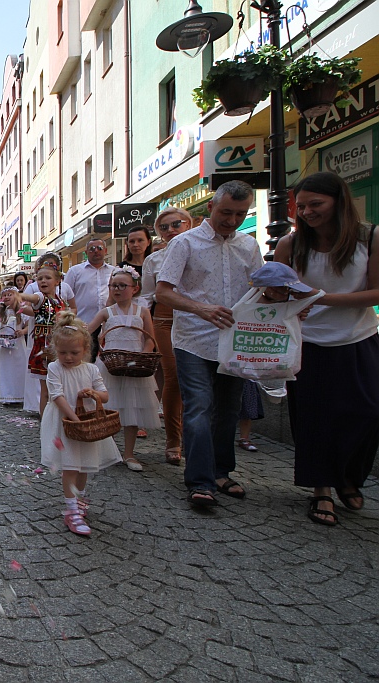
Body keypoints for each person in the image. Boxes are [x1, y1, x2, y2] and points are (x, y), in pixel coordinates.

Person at [275, 171, 379, 525]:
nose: (306, 212)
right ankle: (322, 489)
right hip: (307, 343)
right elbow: (276, 291)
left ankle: (349, 476)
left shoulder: (371, 237)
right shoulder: (291, 244)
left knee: (367, 413)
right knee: (314, 418)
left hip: (358, 339)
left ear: (338, 201)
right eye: (301, 206)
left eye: (315, 204)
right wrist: (278, 293)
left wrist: (319, 297)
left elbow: (377, 291)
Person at [156, 180, 263, 508]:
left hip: (234, 340)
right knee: (200, 406)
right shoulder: (184, 243)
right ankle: (200, 481)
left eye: (241, 214)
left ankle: (221, 471)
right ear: (211, 208)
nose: (232, 220)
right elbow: (163, 292)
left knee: (228, 409)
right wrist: (201, 308)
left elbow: (261, 288)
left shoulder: (249, 246)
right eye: (226, 212)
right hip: (193, 341)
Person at [40, 311, 121, 536]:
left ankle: (80, 497)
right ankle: (71, 509)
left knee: (84, 463)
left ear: (85, 350)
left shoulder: (91, 369)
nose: (68, 357)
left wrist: (93, 394)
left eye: (74, 353)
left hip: (86, 422)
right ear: (56, 350)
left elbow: (104, 396)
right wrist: (73, 420)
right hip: (65, 422)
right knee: (70, 465)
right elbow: (57, 395)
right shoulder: (55, 368)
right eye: (63, 352)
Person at [88, 266, 159, 471]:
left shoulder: (143, 311)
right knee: (106, 409)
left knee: (132, 409)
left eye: (122, 286)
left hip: (135, 364)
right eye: (113, 286)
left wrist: (143, 355)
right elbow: (88, 330)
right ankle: (104, 451)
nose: (117, 290)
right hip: (110, 364)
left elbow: (149, 339)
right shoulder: (106, 312)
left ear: (134, 288)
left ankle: (129, 453)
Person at [141, 207, 193, 465]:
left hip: (197, 319)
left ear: (188, 224)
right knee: (173, 376)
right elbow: (146, 295)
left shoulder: (200, 249)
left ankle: (194, 435)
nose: (170, 230)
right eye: (164, 227)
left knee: (195, 379)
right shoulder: (154, 260)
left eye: (176, 224)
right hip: (163, 320)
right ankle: (174, 439)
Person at [20, 265, 70, 412]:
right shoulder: (41, 298)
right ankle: (45, 421)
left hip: (60, 347)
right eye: (39, 278)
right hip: (45, 350)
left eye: (48, 278)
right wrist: (20, 296)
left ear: (57, 281)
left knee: (60, 389)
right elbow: (33, 298)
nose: (43, 281)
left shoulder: (61, 301)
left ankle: (59, 417)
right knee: (46, 390)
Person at [0, 287, 31, 405]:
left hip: (18, 345)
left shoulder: (22, 311)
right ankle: (7, 396)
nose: (7, 297)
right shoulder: (0, 312)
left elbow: (30, 325)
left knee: (19, 369)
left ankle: (20, 395)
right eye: (4, 295)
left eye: (10, 294)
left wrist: (23, 332)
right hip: (4, 345)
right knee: (6, 370)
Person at [63, 238, 112, 325]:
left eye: (99, 248)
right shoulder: (75, 271)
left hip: (108, 322)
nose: (96, 251)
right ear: (86, 252)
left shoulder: (113, 271)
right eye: (92, 249)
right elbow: (64, 295)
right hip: (83, 322)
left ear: (105, 250)